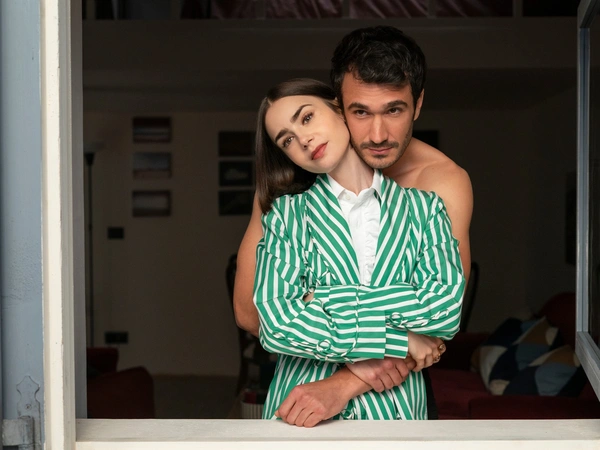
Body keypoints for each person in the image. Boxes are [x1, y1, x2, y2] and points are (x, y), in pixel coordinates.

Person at [234, 26, 473, 425]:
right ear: (341, 107)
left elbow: (438, 320)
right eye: (361, 112)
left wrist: (342, 373)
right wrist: (393, 335)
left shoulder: (439, 185)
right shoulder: (288, 193)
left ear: (417, 104)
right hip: (305, 397)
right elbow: (254, 313)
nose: (378, 135)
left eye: (394, 110)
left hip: (395, 398)